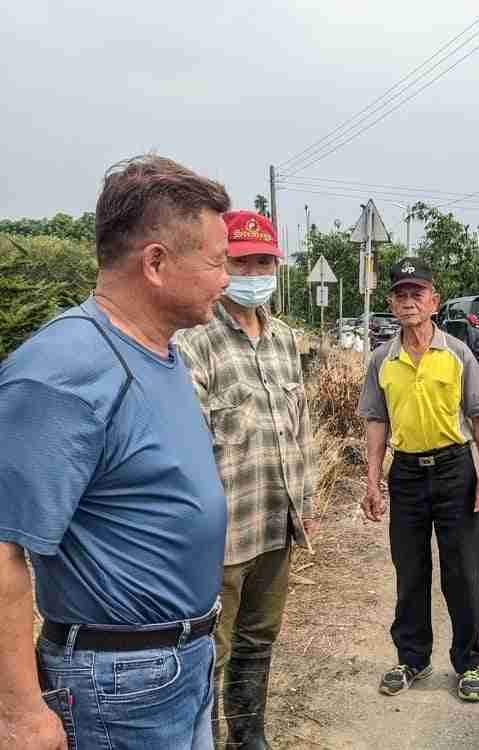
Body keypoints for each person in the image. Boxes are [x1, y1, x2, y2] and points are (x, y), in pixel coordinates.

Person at [0, 154, 232, 750]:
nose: (227, 278)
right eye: (216, 261)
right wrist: (20, 713)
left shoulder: (162, 352)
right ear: (155, 262)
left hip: (181, 661)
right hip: (118, 684)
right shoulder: (64, 372)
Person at [175, 210, 318, 750]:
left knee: (261, 639)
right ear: (222, 264)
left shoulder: (283, 339)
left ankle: (248, 736)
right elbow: (188, 446)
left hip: (276, 524)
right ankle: (205, 741)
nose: (255, 271)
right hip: (223, 535)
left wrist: (304, 503)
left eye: (264, 261)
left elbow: (298, 429)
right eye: (243, 261)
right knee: (213, 649)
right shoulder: (197, 341)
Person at [357, 257, 479, 702]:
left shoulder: (456, 353)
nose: (409, 301)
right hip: (406, 476)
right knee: (410, 571)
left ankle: (469, 664)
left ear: (434, 301)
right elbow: (375, 423)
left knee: (461, 573)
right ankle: (412, 658)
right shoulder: (383, 359)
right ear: (391, 303)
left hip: (455, 470)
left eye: (418, 293)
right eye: (401, 294)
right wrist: (372, 482)